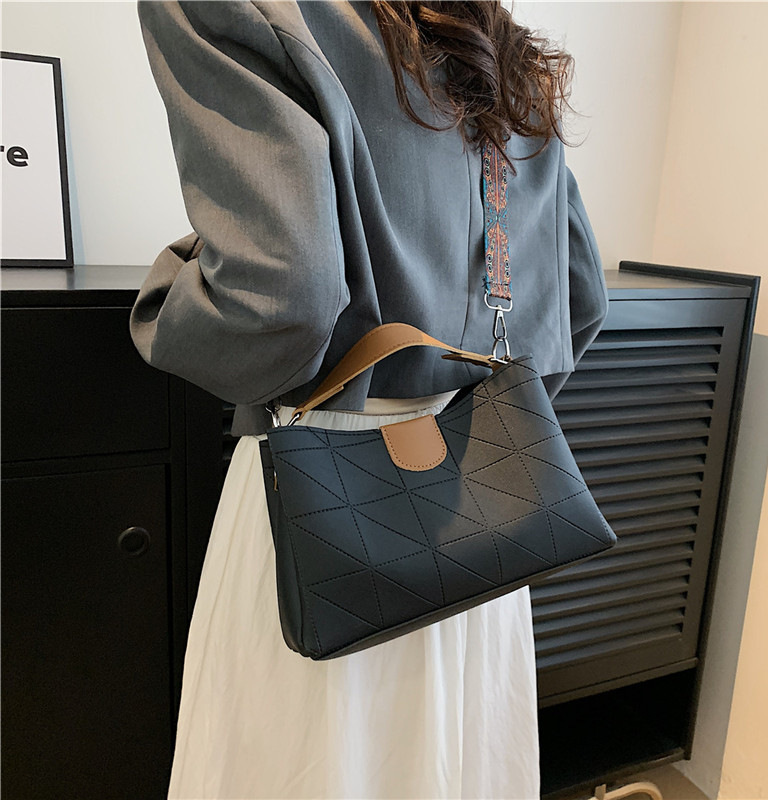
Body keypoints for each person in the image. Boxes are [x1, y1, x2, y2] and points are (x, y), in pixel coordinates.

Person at [131, 2, 608, 798]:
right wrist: (465, 409)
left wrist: (167, 296)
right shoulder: (503, 46)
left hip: (324, 513)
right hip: (484, 529)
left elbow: (279, 301)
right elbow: (578, 301)